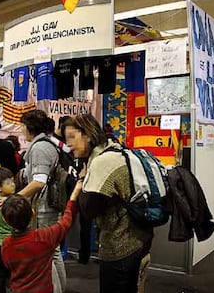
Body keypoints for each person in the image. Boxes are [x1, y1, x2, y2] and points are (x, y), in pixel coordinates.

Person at [64, 114, 153, 293]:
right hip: (139, 239)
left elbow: (88, 209)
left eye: (72, 137)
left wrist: (81, 182)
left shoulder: (101, 162)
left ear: (87, 134)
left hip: (119, 247)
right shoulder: (114, 150)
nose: (68, 144)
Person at [0, 177, 82, 293]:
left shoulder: (6, 244)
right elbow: (66, 221)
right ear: (32, 214)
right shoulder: (45, 237)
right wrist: (73, 196)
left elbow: (8, 266)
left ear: (5, 220)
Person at [14, 109, 66, 292]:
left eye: (22, 126)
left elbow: (39, 181)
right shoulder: (49, 144)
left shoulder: (39, 148)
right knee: (54, 251)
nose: (21, 130)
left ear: (29, 127)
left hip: (43, 208)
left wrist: (15, 198)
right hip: (52, 206)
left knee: (45, 254)